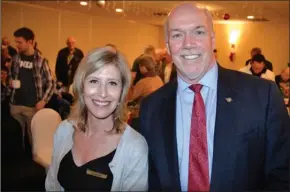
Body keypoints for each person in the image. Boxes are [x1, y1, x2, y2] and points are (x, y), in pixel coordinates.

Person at [139, 3, 290, 191]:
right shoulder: (151, 108)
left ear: (213, 40)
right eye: (177, 35)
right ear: (168, 47)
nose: (188, 43)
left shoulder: (262, 96)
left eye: (198, 32)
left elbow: (283, 177)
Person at [45, 46, 148, 191]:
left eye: (112, 83)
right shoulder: (64, 130)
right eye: (94, 81)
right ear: (81, 87)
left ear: (122, 92)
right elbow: (51, 185)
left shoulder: (135, 148)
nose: (103, 93)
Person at [7, 27, 55, 146]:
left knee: (34, 139)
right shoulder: (15, 58)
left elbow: (51, 83)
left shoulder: (41, 60)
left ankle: (33, 162)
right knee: (16, 139)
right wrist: (9, 82)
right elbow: (9, 77)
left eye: (19, 42)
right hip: (15, 105)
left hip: (32, 107)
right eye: (16, 42)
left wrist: (43, 101)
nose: (17, 45)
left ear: (30, 42)